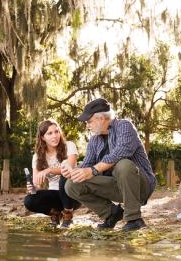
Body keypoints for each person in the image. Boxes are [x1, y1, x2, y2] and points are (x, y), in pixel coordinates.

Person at [63, 98, 157, 232]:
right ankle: (111, 214)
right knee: (72, 184)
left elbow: (121, 152)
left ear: (101, 118)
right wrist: (73, 170)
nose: (87, 125)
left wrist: (93, 170)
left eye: (89, 121)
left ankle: (134, 219)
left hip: (140, 186)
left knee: (123, 164)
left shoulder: (124, 126)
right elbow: (87, 166)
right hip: (116, 186)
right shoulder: (94, 140)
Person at [24, 119, 80, 228]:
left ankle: (68, 216)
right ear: (42, 137)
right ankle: (55, 213)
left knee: (64, 177)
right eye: (49, 133)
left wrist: (49, 170)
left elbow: (69, 169)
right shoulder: (37, 157)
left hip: (73, 193)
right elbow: (37, 184)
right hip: (55, 194)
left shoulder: (69, 146)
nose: (55, 136)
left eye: (56, 131)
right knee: (29, 201)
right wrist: (32, 188)